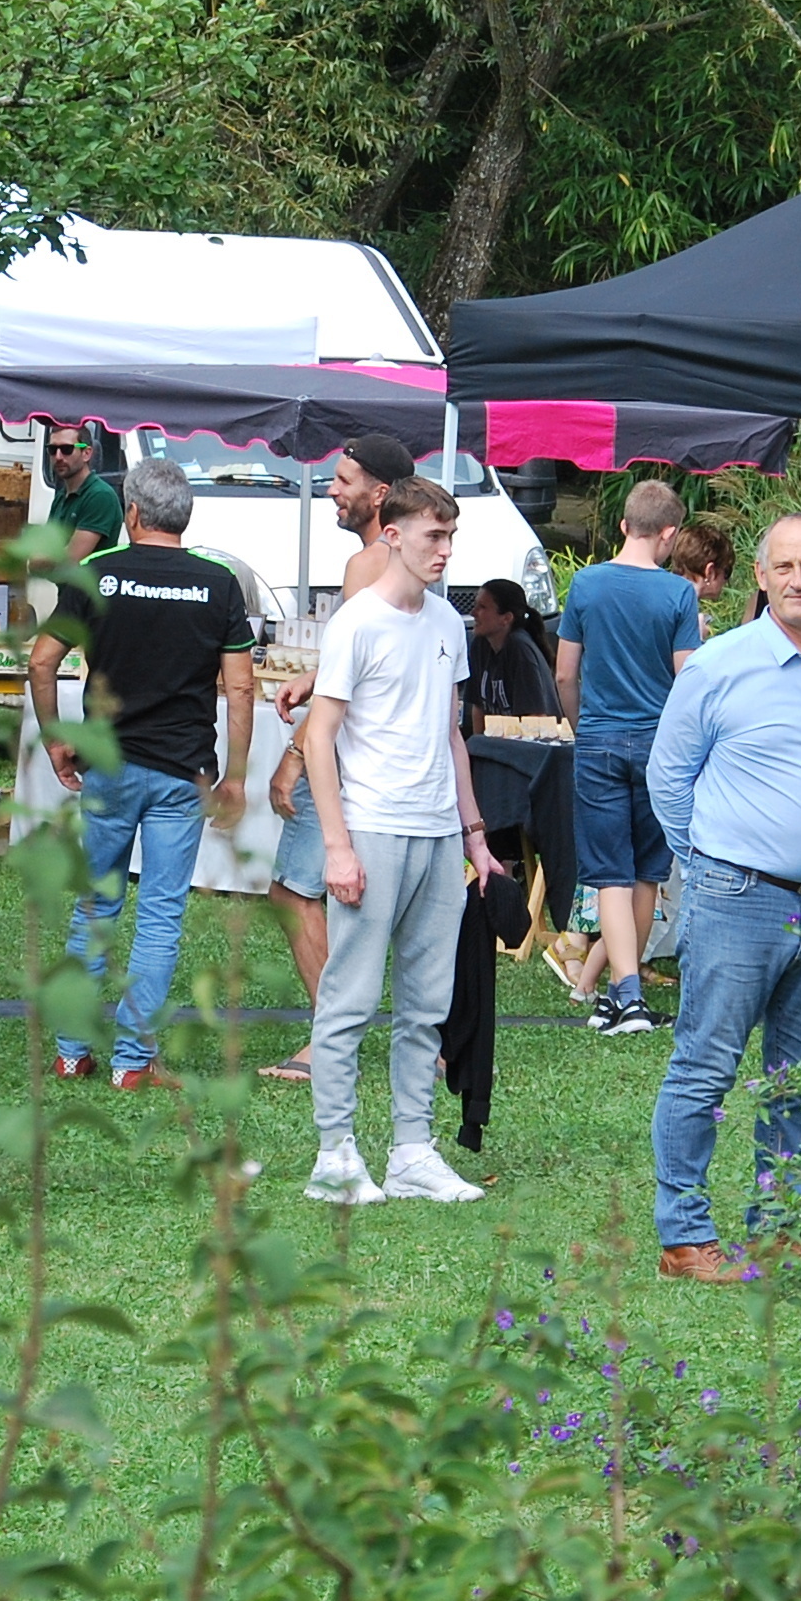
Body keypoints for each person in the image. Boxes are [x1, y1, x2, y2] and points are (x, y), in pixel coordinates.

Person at [647, 514, 801, 1284]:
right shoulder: (717, 665)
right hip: (737, 896)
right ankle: (685, 1236)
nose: (799, 579)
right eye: (784, 566)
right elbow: (668, 777)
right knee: (706, 1067)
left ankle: (777, 1227)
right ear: (760, 574)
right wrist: (710, 863)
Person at [298, 476, 495, 1205]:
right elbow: (321, 737)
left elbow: (451, 735)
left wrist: (474, 836)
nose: (444, 551)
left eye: (450, 537)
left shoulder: (449, 623)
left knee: (427, 1004)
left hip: (438, 831)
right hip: (374, 826)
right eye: (432, 537)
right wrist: (337, 844)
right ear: (394, 536)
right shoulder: (357, 622)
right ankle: (335, 1154)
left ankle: (413, 1148)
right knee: (347, 1001)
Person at [31, 457, 257, 1089]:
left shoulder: (95, 572)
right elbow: (240, 691)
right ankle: (133, 1062)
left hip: (105, 764)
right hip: (183, 772)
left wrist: (55, 740)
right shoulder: (218, 583)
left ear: (131, 513)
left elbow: (43, 662)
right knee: (161, 912)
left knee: (95, 909)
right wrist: (236, 774)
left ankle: (73, 1051)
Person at [258, 431, 422, 1079]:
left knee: (292, 891)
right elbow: (364, 658)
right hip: (389, 759)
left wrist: (295, 754)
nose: (332, 488)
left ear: (380, 494)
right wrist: (315, 672)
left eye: (344, 479)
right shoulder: (405, 562)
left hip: (345, 757)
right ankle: (422, 1045)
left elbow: (346, 684)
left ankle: (329, 1041)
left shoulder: (365, 566)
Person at [558, 479, 704, 1034]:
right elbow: (687, 679)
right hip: (657, 745)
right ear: (668, 534)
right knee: (645, 874)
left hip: (598, 737)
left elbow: (565, 672)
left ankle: (625, 998)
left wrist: (582, 726)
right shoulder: (678, 595)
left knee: (610, 876)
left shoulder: (588, 584)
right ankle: (625, 995)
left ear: (624, 525)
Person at [463, 577, 557, 721]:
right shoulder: (480, 644)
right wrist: (479, 742)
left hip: (534, 739)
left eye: (482, 607)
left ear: (506, 618)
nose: (473, 613)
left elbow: (536, 717)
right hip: (498, 741)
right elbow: (478, 707)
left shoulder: (519, 648)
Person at [44, 428, 123, 554]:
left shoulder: (100, 496)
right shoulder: (61, 497)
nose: (58, 457)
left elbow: (70, 559)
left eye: (67, 449)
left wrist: (35, 560)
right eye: (52, 450)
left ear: (86, 453)